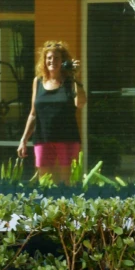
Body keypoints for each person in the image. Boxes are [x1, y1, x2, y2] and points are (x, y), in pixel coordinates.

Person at [17, 40, 86, 184]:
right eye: (49, 58)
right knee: (45, 183)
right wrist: (24, 139)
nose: (52, 61)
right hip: (43, 138)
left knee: (67, 183)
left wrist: (76, 78)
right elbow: (33, 114)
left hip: (67, 139)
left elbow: (80, 104)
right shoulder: (38, 81)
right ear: (44, 60)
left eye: (56, 58)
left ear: (63, 61)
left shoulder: (69, 82)